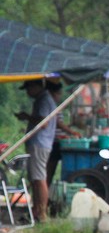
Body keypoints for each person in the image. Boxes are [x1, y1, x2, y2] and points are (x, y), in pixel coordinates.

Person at [14, 79, 57, 222]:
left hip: (40, 143)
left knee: (39, 178)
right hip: (38, 143)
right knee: (34, 178)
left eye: (29, 88)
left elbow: (43, 123)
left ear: (37, 86)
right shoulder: (42, 99)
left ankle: (42, 213)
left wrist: (27, 117)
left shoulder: (44, 100)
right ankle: (36, 210)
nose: (28, 92)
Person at [46, 82, 81, 187]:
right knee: (49, 171)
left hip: (57, 141)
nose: (59, 96)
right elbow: (58, 123)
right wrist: (72, 132)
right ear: (52, 93)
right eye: (58, 94)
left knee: (51, 171)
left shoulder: (54, 105)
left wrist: (70, 126)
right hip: (52, 143)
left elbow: (60, 124)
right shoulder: (49, 104)